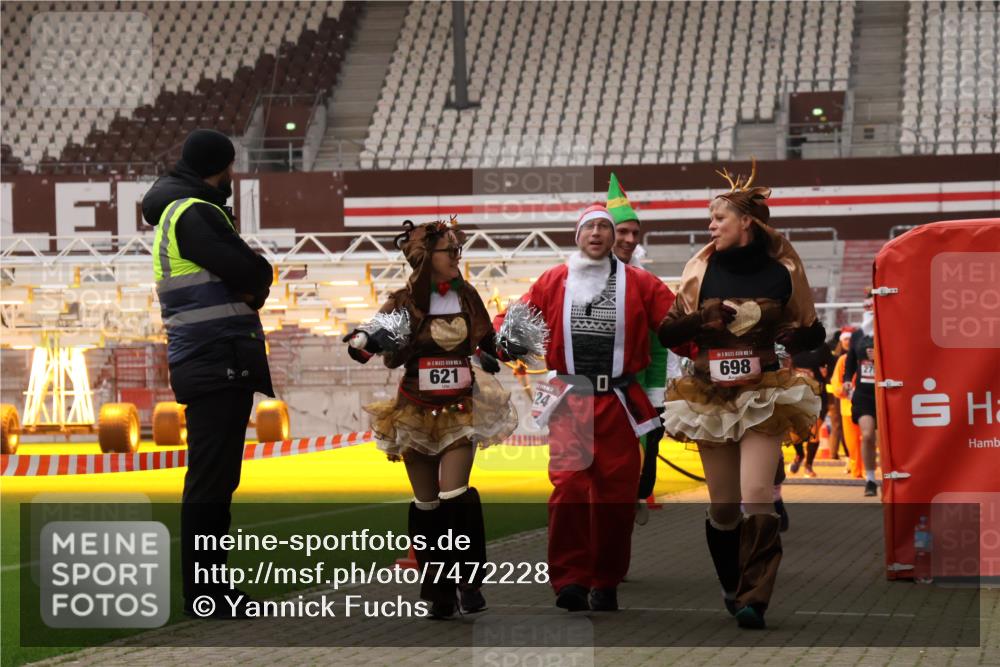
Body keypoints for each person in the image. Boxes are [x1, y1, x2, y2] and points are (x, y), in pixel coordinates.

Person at [657, 162, 825, 629]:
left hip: (763, 392)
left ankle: (756, 596)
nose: (711, 227)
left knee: (757, 494)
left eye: (719, 219)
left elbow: (813, 332)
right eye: (710, 220)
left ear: (746, 221)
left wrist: (799, 337)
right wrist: (701, 318)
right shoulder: (700, 270)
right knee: (724, 506)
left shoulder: (783, 271)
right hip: (710, 393)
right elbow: (667, 332)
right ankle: (732, 585)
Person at [495, 204, 675, 612]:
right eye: (588, 227)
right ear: (577, 236)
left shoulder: (641, 283)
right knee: (569, 490)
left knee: (617, 496)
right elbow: (514, 320)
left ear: (613, 238)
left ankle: (606, 580)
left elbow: (676, 324)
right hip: (569, 399)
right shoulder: (553, 280)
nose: (596, 233)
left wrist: (707, 335)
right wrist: (497, 341)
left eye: (603, 227)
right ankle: (570, 581)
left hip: (619, 401)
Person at [344, 218, 518, 619]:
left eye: (459, 249)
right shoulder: (404, 301)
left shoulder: (467, 295)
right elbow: (368, 340)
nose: (457, 256)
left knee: (456, 495)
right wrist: (362, 341)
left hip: (459, 407)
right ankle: (439, 590)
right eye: (450, 250)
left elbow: (490, 342)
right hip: (414, 409)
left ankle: (468, 581)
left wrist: (506, 347)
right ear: (426, 257)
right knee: (426, 505)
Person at [142, 129, 274, 618]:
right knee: (211, 484)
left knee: (214, 480)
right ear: (223, 167)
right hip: (216, 357)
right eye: (231, 167)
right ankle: (207, 594)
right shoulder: (195, 213)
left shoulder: (178, 211)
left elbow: (246, 279)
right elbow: (253, 274)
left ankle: (211, 591)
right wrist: (259, 277)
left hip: (209, 357)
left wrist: (253, 281)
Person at [605, 173, 675, 525]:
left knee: (634, 484)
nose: (631, 240)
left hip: (636, 399)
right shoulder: (569, 279)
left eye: (635, 233)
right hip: (585, 401)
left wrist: (657, 401)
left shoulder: (648, 285)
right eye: (623, 232)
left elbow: (664, 344)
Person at [843, 292, 879, 496]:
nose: (870, 311)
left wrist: (879, 358)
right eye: (867, 308)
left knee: (888, 442)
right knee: (867, 435)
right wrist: (847, 379)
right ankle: (871, 480)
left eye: (872, 308)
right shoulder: (857, 335)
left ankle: (895, 476)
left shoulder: (889, 330)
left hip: (887, 392)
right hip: (864, 394)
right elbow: (850, 361)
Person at [787, 341, 834, 477]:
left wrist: (826, 371)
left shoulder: (821, 346)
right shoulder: (790, 345)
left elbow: (832, 365)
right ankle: (799, 455)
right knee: (794, 433)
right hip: (796, 397)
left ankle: (808, 466)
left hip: (817, 396)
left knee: (814, 431)